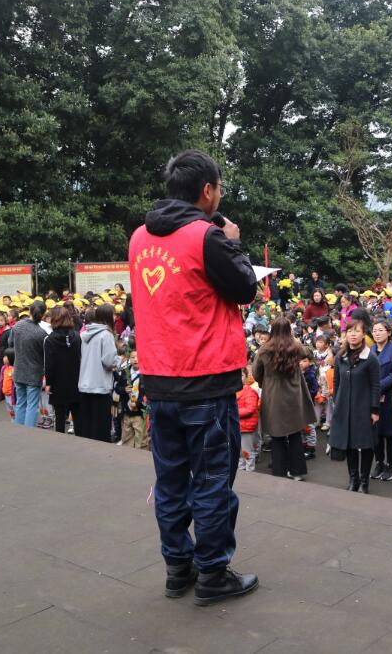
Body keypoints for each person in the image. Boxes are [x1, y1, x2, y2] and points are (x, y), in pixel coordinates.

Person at [129, 149, 259, 605]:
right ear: (207, 191)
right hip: (205, 379)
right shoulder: (207, 237)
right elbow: (246, 287)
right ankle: (213, 573)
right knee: (211, 480)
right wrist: (232, 242)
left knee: (170, 480)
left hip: (158, 379)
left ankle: (177, 567)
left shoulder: (139, 238)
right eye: (219, 188)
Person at [252, 317, 317, 481]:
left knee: (277, 434)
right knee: (295, 433)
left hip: (273, 394)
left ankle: (279, 471)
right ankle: (297, 471)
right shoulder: (296, 347)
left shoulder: (264, 350)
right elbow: (307, 355)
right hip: (294, 394)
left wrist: (264, 382)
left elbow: (255, 372)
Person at [329, 318, 382, 493]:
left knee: (366, 444)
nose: (353, 335)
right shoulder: (340, 356)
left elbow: (376, 385)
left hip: (364, 408)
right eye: (350, 331)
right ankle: (354, 479)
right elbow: (336, 381)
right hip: (344, 407)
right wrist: (337, 401)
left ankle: (364, 481)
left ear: (363, 334)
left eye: (357, 331)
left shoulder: (371, 358)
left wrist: (374, 409)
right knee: (349, 444)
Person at [79, 303, 123, 442]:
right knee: (101, 426)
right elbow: (109, 361)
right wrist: (120, 360)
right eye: (113, 314)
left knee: (88, 423)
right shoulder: (106, 334)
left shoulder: (85, 334)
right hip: (100, 385)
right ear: (108, 316)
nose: (115, 317)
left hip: (85, 383)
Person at [370, 319, 392, 481]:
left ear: (388, 332)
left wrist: (377, 386)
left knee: (389, 433)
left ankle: (389, 464)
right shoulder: (370, 350)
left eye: (380, 330)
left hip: (389, 397)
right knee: (375, 432)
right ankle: (379, 462)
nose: (377, 333)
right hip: (372, 397)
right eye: (375, 330)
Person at [43, 306, 82, 436]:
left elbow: (49, 364)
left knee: (59, 415)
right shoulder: (77, 336)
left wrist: (48, 383)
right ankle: (80, 438)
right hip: (76, 379)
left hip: (58, 381)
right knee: (77, 413)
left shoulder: (50, 339)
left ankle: (59, 440)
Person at [8, 300, 47, 427]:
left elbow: (10, 343)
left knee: (20, 403)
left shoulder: (17, 326)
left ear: (29, 310)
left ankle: (19, 430)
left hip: (19, 369)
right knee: (32, 405)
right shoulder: (41, 333)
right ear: (43, 315)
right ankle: (29, 432)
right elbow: (45, 353)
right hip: (34, 373)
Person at [237, 370, 261, 471]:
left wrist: (233, 412)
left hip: (246, 427)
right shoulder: (233, 391)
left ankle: (250, 472)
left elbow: (250, 409)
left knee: (247, 452)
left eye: (241, 375)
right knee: (239, 453)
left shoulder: (249, 391)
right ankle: (241, 470)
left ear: (246, 377)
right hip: (237, 426)